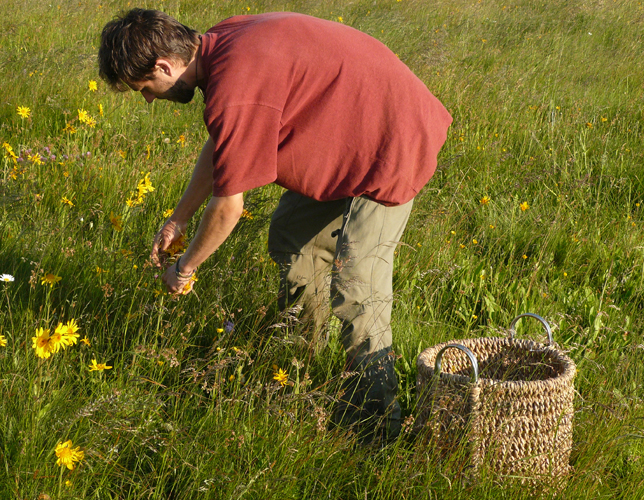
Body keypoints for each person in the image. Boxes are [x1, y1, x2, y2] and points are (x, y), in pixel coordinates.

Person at [99, 8, 452, 444]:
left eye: (144, 89)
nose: (149, 99)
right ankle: (307, 364)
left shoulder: (234, 84)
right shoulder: (220, 44)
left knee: (358, 284)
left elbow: (228, 206)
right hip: (346, 137)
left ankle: (375, 425)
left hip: (393, 141)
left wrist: (185, 270)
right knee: (291, 237)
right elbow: (223, 141)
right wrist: (179, 218)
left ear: (164, 66)